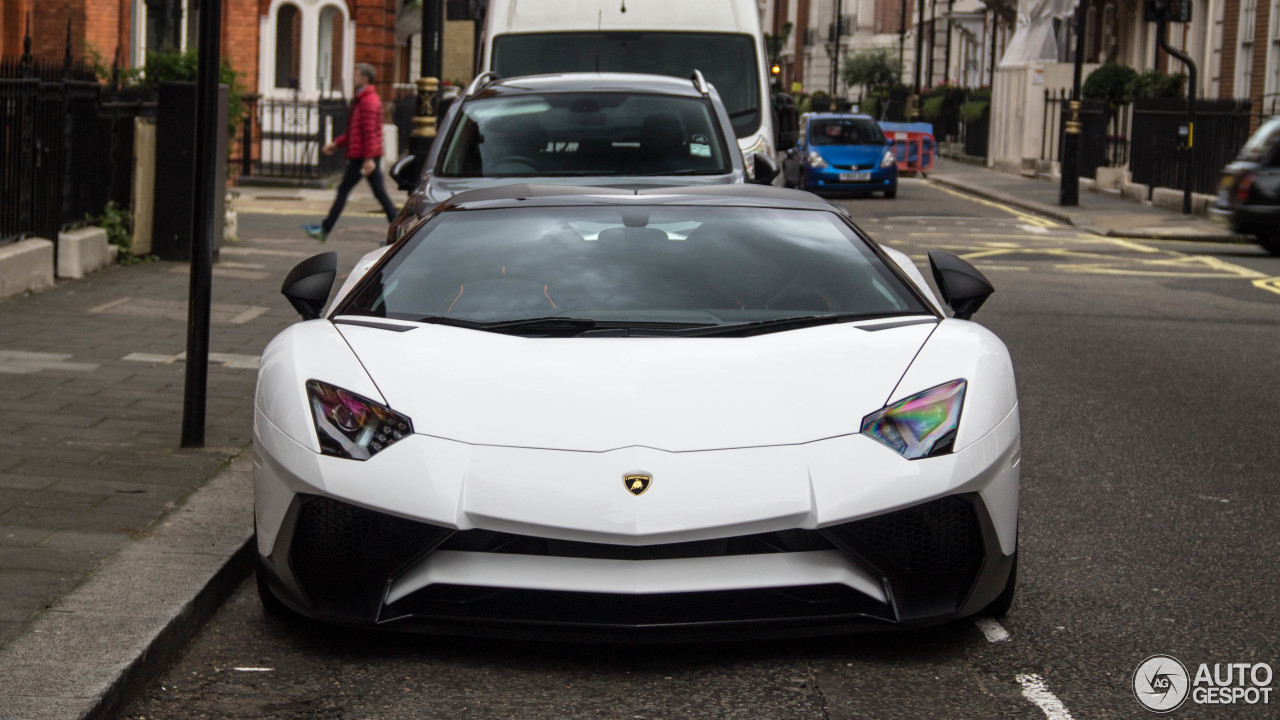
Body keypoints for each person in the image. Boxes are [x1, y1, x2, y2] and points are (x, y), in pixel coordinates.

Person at [303, 63, 398, 240]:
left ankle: (325, 230)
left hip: (363, 158)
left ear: (365, 78)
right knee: (376, 193)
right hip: (363, 156)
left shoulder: (368, 101)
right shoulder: (363, 99)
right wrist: (336, 144)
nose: (353, 78)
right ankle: (399, 234)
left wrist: (368, 159)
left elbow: (369, 132)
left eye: (356, 75)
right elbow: (355, 131)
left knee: (348, 191)